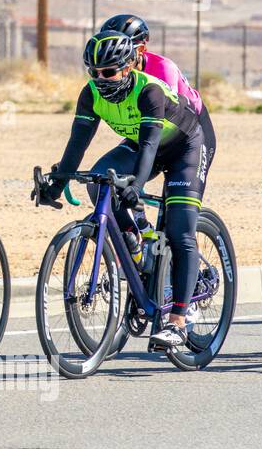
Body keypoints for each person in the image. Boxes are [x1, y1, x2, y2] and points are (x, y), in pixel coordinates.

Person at [37, 30, 206, 350]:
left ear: (129, 67)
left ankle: (179, 321)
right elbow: (77, 143)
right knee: (101, 181)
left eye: (109, 72)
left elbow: (149, 147)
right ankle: (139, 242)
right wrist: (57, 183)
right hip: (141, 145)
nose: (101, 79)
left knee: (181, 230)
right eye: (94, 72)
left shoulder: (150, 92)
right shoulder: (90, 94)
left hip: (183, 147)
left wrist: (137, 188)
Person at [101, 13, 217, 169]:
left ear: (140, 49)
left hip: (191, 128)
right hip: (153, 130)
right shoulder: (111, 75)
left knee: (174, 186)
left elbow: (166, 117)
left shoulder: (163, 68)